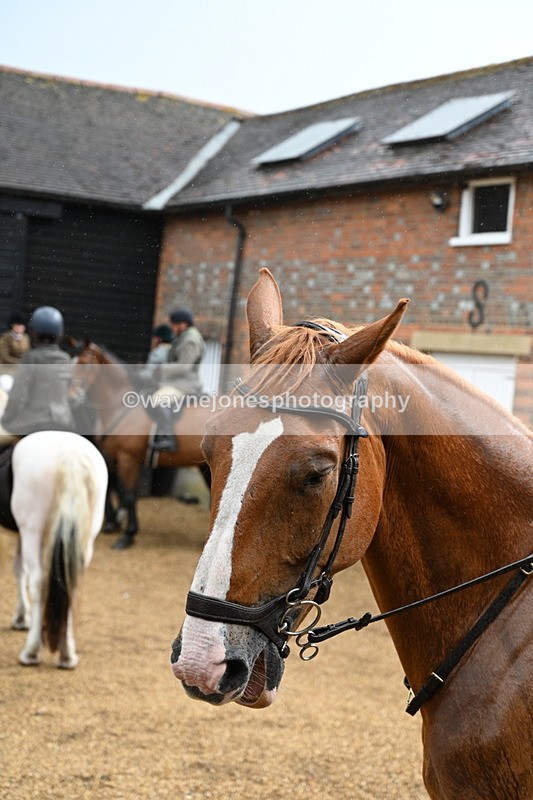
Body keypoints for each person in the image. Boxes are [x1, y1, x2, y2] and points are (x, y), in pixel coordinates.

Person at [0, 306, 75, 446]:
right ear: (60, 333)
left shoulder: (31, 358)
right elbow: (68, 393)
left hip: (33, 423)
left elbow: (18, 397)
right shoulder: (66, 359)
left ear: (34, 333)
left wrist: (6, 419)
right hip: (63, 423)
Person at [150, 308, 205, 451]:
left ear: (182, 324)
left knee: (159, 399)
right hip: (178, 381)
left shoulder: (190, 339)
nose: (172, 328)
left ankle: (169, 438)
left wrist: (161, 369)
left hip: (186, 384)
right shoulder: (184, 336)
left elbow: (184, 366)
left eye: (173, 325)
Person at [0, 311, 30, 390]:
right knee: (7, 386)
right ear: (12, 325)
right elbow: (4, 357)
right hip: (7, 371)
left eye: (21, 325)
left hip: (22, 371)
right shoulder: (6, 338)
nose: (20, 327)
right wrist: (19, 362)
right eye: (17, 325)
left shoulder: (26, 338)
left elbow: (27, 353)